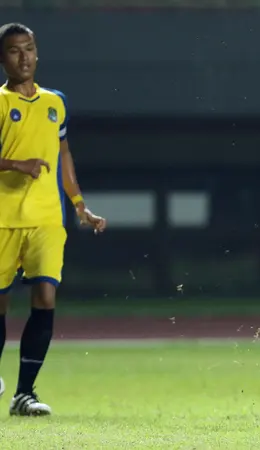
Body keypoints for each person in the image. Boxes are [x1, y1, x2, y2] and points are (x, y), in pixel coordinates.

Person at [0, 23, 106, 416]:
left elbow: (63, 156)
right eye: (14, 51)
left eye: (28, 49)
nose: (23, 57)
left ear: (38, 53)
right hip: (3, 219)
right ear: (2, 58)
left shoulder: (55, 102)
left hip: (47, 218)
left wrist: (80, 205)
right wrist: (15, 163)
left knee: (44, 297)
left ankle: (24, 393)